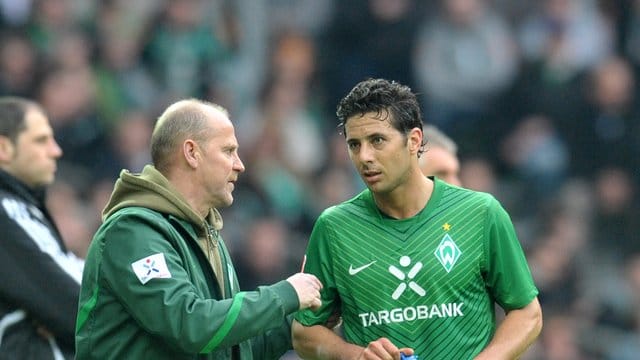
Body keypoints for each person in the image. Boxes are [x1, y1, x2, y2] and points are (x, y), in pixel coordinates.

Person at [292, 79, 542, 359]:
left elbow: (527, 312)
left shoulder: (481, 213)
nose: (364, 157)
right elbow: (304, 332)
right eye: (354, 144)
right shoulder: (334, 227)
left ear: (413, 141)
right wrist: (355, 355)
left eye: (377, 141)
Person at [75, 99, 323, 359]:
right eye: (228, 151)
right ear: (192, 153)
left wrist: (301, 316)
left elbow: (232, 349)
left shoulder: (206, 234)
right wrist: (285, 294)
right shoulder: (132, 232)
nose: (240, 164)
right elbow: (189, 326)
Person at [0, 96, 84, 359]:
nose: (55, 150)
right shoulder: (6, 210)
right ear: (3, 148)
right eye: (40, 140)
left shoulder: (23, 206)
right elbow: (71, 304)